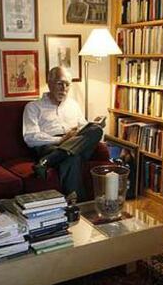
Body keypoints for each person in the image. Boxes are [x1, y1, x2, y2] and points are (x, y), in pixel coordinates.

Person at [22, 66, 105, 202]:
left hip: (75, 143)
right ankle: (78, 204)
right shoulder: (33, 107)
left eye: (67, 84)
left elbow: (83, 127)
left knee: (96, 130)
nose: (64, 88)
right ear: (49, 83)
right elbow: (30, 138)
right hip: (50, 146)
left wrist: (91, 126)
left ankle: (48, 161)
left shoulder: (73, 105)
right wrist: (61, 140)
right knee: (72, 158)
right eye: (60, 83)